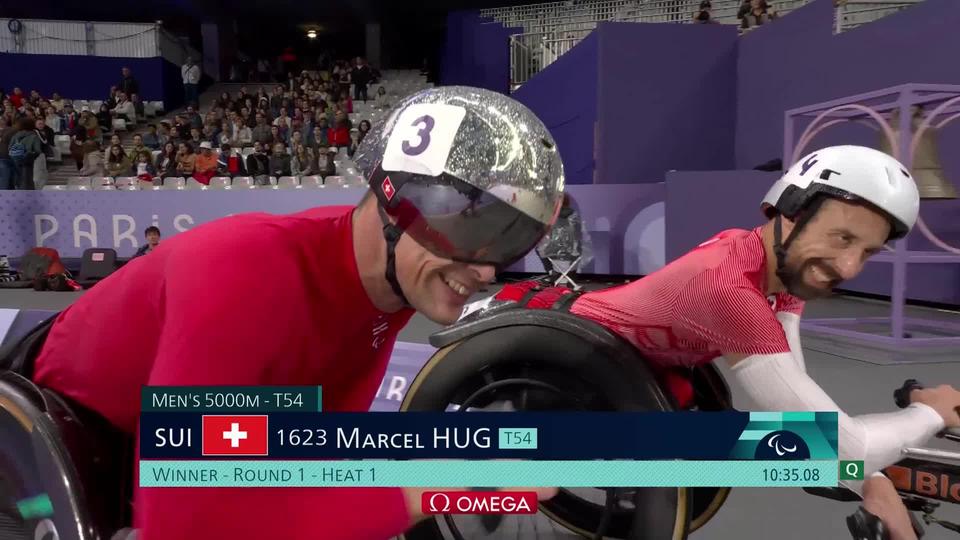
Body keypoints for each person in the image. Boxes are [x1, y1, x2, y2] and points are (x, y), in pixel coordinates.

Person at [27, 86, 564, 540]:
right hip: (67, 438)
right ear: (394, 208)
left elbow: (315, 447)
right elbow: (182, 522)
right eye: (473, 236)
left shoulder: (387, 282)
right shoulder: (244, 269)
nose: (489, 270)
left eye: (508, 244)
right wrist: (428, 486)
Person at [553, 145, 959, 540]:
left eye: (867, 252)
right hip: (563, 374)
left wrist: (867, 480)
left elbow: (805, 424)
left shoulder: (777, 268)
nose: (850, 268)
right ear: (790, 214)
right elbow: (842, 449)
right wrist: (931, 413)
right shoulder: (729, 291)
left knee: (780, 441)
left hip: (638, 374)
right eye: (841, 238)